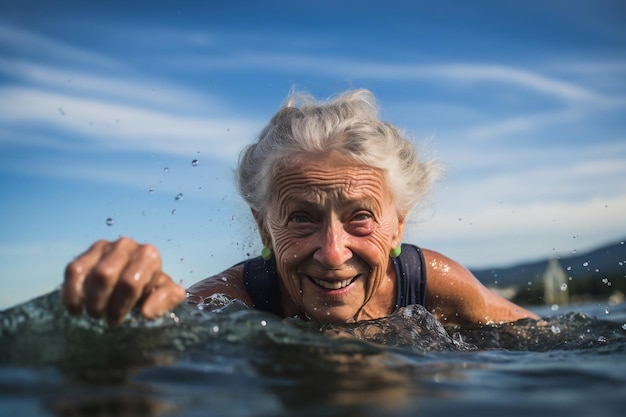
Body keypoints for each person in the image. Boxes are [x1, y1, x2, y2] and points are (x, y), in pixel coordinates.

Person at [62, 89, 539, 327]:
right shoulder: (231, 304)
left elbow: (545, 340)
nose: (333, 254)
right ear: (265, 230)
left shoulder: (433, 284)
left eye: (360, 217)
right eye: (301, 218)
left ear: (398, 227)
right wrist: (129, 323)